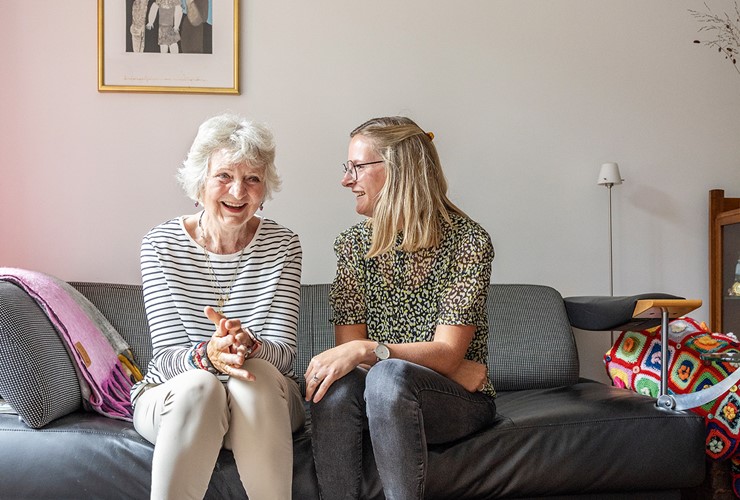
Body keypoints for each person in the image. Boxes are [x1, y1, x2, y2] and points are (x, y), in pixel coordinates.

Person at [305, 116, 497, 500]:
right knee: (338, 386)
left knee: (388, 378)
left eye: (357, 167)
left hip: (452, 404)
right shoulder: (352, 246)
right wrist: (453, 365)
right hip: (388, 392)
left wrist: (370, 349)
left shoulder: (468, 242)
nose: (347, 180)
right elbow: (348, 358)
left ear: (398, 170)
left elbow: (443, 353)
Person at [131, 113, 304, 500]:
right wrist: (210, 354)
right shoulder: (161, 245)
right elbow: (166, 358)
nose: (239, 192)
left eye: (253, 179)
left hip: (264, 399)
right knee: (199, 386)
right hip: (178, 396)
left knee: (254, 377)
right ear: (200, 181)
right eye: (224, 175)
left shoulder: (284, 245)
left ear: (265, 188)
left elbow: (286, 358)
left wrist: (249, 346)